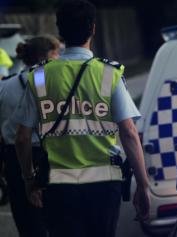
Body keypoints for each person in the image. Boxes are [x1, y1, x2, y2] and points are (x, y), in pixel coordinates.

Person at [14, 1, 150, 237]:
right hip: (104, 184)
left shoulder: (39, 76)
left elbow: (23, 137)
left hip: (58, 185)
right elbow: (128, 132)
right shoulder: (108, 73)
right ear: (93, 29)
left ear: (60, 31)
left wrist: (29, 180)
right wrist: (144, 185)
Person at [0, 35, 60, 237]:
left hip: (14, 161)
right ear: (49, 55)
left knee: (27, 224)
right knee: (58, 221)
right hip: (51, 155)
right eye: (57, 53)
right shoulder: (54, 85)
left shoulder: (5, 86)